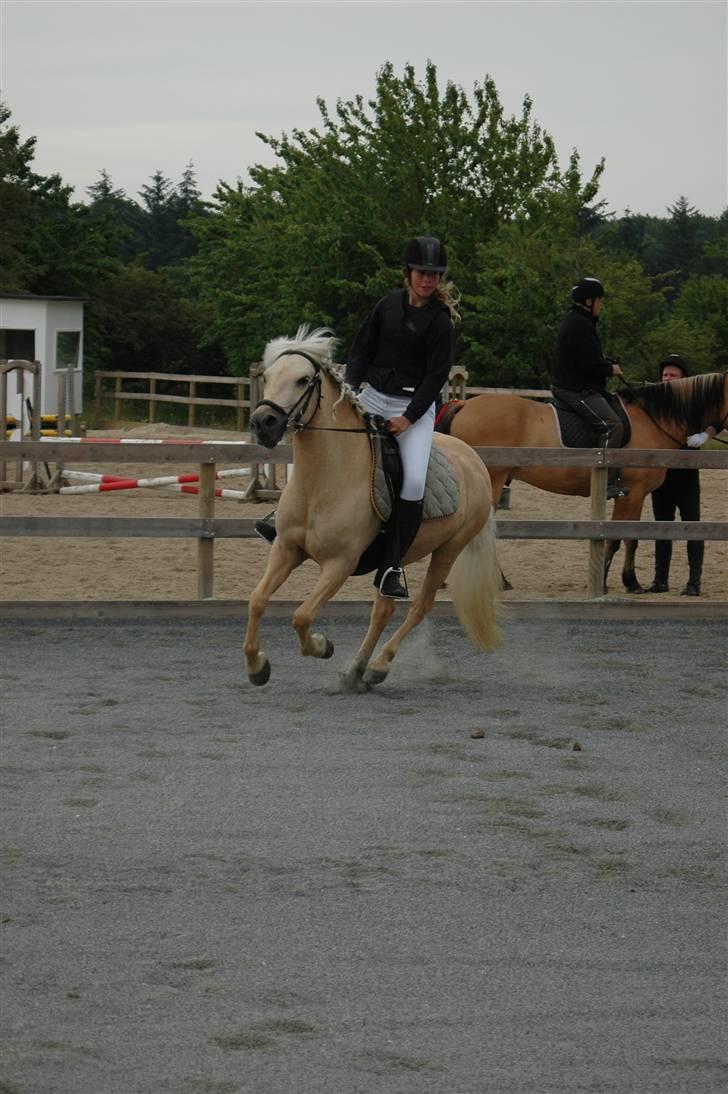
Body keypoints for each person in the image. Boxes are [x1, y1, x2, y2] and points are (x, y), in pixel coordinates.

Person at [344, 235, 458, 598]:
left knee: (413, 482)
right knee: (330, 444)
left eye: (434, 275)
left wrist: (408, 419)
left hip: (415, 407)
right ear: (408, 273)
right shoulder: (387, 306)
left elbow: (435, 379)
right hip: (373, 396)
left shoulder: (441, 322)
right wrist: (350, 390)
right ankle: (284, 524)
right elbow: (361, 350)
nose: (428, 280)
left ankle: (391, 566)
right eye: (422, 273)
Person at [550, 277, 629, 500]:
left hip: (572, 385)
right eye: (600, 301)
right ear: (588, 301)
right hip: (575, 389)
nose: (601, 306)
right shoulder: (580, 325)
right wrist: (610, 368)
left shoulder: (577, 321)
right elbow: (590, 364)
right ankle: (605, 481)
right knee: (613, 425)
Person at [647, 353, 718, 596]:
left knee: (692, 528)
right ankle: (660, 580)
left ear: (683, 379)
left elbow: (716, 420)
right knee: (661, 528)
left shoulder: (694, 404)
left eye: (673, 375)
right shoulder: (654, 405)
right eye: (665, 375)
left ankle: (694, 581)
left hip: (687, 476)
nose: (667, 379)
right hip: (660, 475)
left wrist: (705, 435)